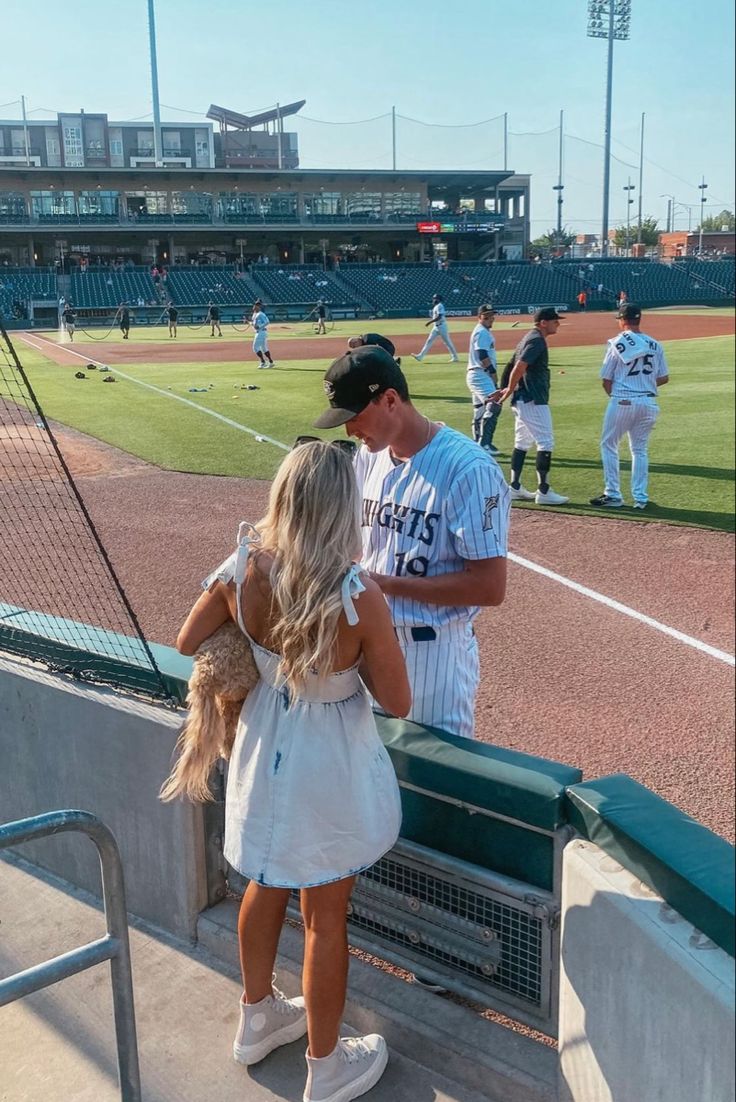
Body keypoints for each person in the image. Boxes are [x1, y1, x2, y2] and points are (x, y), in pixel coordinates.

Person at [172, 442, 409, 1101]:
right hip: (326, 759)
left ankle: (257, 1018)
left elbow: (189, 642)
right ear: (342, 510)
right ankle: (326, 1068)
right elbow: (398, 701)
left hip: (261, 740)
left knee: (264, 879)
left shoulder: (242, 565)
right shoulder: (359, 596)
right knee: (325, 916)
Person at [314, 346, 509, 740]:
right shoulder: (369, 458)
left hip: (431, 655)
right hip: (365, 649)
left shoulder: (468, 469)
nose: (349, 431)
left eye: (355, 417)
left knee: (432, 785)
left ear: (389, 400)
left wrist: (384, 585)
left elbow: (489, 587)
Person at [590, 303, 669, 510]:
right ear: (639, 319)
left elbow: (606, 379)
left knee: (609, 445)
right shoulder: (655, 344)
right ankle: (640, 498)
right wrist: (644, 385)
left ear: (622, 320)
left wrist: (617, 396)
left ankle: (613, 494)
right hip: (648, 403)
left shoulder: (617, 343)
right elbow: (663, 377)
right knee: (640, 450)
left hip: (623, 401)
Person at [493, 307, 569, 506]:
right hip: (532, 398)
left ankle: (515, 487)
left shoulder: (528, 337)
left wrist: (503, 389)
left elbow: (511, 364)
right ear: (543, 322)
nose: (558, 323)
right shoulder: (536, 340)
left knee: (522, 442)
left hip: (523, 398)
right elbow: (519, 366)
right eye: (554, 321)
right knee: (545, 442)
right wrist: (508, 389)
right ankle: (543, 491)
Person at [466, 304, 502, 457]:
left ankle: (476, 441)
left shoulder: (482, 331)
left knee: (480, 409)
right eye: (486, 316)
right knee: (494, 404)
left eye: (491, 316)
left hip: (476, 374)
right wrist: (492, 372)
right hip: (481, 374)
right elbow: (482, 354)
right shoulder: (482, 333)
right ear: (479, 317)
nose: (490, 319)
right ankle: (484, 443)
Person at [411, 294, 459, 363]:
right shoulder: (436, 306)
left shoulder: (440, 306)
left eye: (435, 298)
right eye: (433, 298)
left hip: (442, 327)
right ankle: (420, 356)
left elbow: (439, 316)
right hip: (436, 327)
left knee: (447, 342)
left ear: (438, 299)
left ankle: (455, 357)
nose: (433, 300)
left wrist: (430, 322)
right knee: (429, 341)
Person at [245, 300, 276, 368]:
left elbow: (267, 322)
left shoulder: (261, 314)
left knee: (255, 348)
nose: (254, 306)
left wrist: (259, 326)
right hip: (259, 332)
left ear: (259, 307)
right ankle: (271, 362)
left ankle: (263, 362)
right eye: (254, 305)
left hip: (261, 332)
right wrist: (248, 322)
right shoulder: (254, 314)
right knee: (264, 348)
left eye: (256, 305)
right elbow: (254, 324)